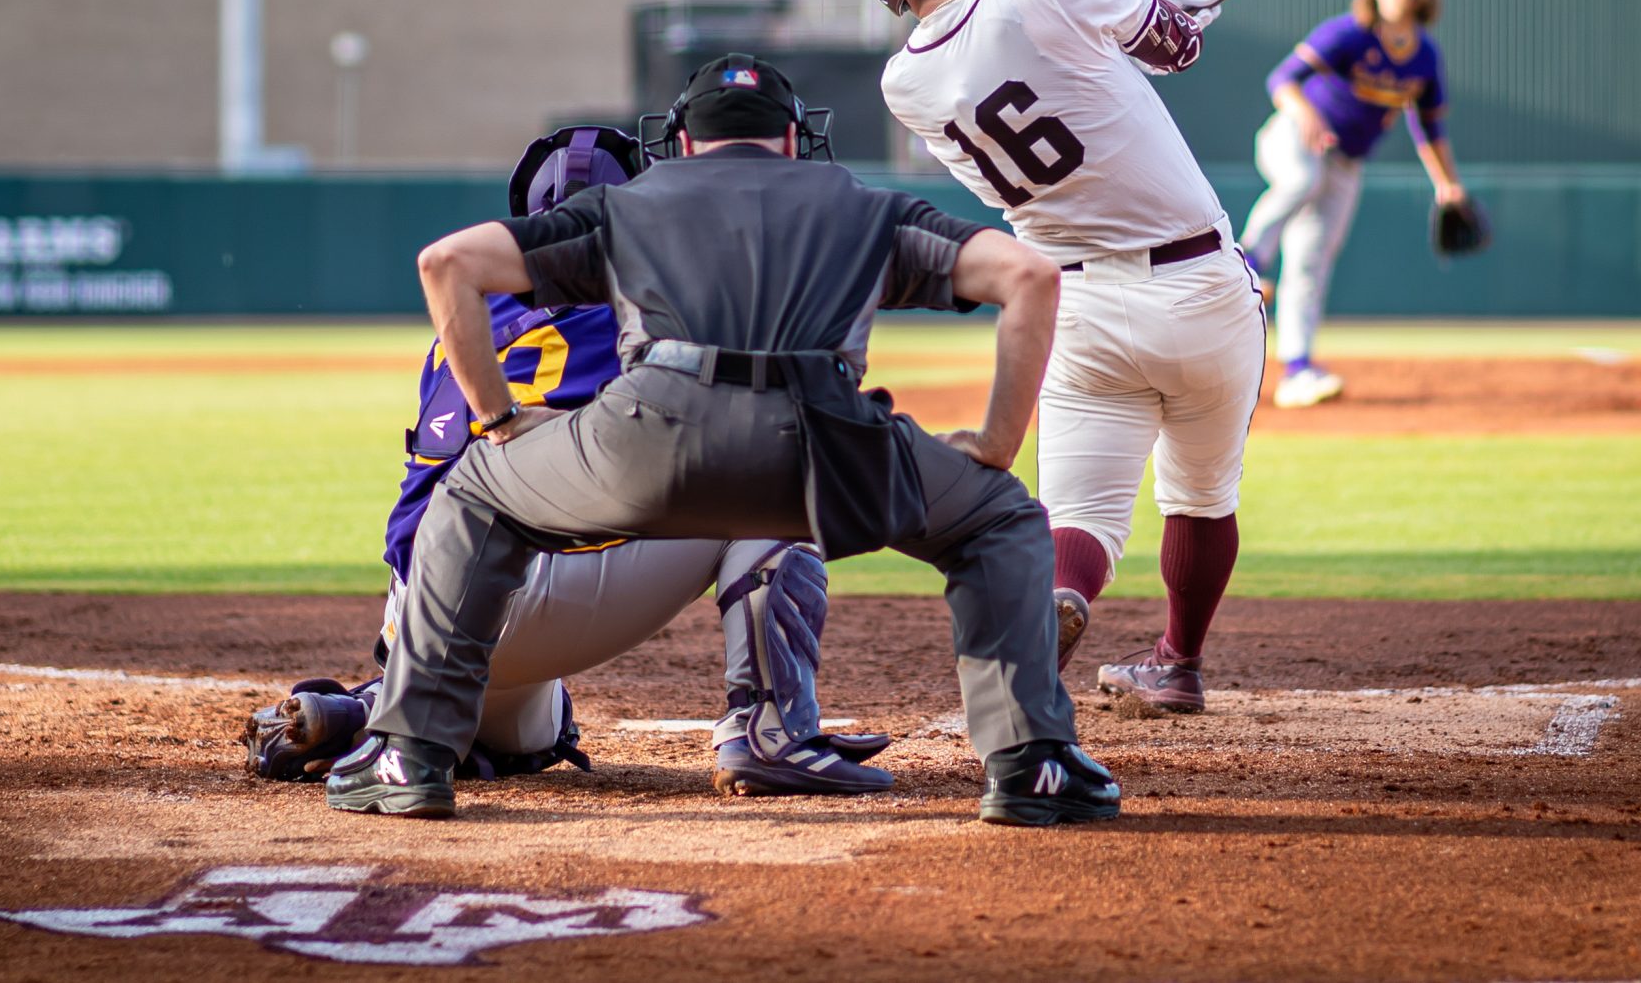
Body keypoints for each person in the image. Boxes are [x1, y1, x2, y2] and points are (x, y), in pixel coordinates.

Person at [324, 57, 1116, 826]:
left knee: (475, 491)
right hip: (825, 450)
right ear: (794, 139)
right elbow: (1031, 278)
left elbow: (447, 262)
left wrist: (499, 421)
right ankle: (1030, 763)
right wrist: (996, 443)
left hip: (647, 440)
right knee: (1000, 519)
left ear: (687, 143)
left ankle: (410, 753)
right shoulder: (866, 206)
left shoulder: (629, 206)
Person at [241, 125, 891, 797]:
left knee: (531, 736)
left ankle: (370, 711)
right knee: (778, 458)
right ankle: (770, 729)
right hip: (537, 586)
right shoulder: (660, 290)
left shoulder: (462, 319)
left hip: (420, 610)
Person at [858, 0, 1264, 716]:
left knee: (1082, 514)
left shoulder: (908, 86)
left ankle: (1060, 605)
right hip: (1200, 284)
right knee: (1201, 493)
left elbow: (1076, 58)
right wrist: (1173, 13)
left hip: (1075, 299)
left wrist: (1147, 16)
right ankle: (1179, 660)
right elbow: (1174, 48)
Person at [1241, 0, 1468, 409]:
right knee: (1300, 181)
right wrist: (1305, 114)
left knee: (1313, 257)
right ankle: (1246, 262)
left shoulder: (1424, 56)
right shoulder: (1349, 33)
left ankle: (1298, 370)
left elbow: (1429, 128)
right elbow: (1280, 80)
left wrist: (1446, 184)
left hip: (1346, 162)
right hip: (1293, 139)